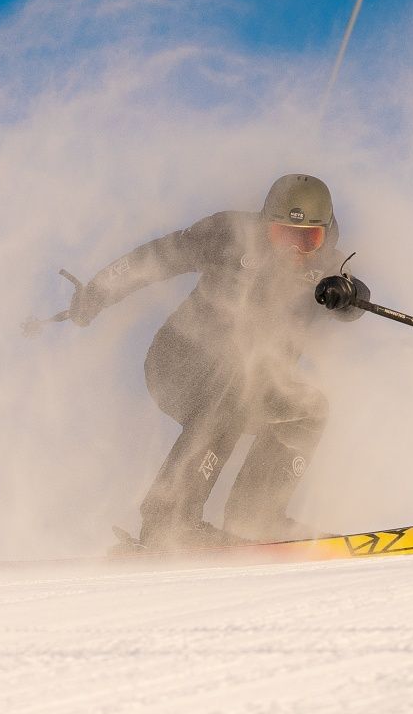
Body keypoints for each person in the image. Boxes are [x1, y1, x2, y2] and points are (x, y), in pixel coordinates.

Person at [66, 173, 368, 549]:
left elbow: (354, 304)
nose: (294, 249)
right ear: (264, 226)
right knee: (240, 375)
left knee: (308, 410)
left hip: (252, 383)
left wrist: (350, 297)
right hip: (178, 367)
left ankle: (256, 516)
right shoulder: (228, 235)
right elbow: (157, 256)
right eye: (283, 236)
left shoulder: (327, 270)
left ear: (324, 234)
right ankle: (168, 522)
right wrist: (96, 292)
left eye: (307, 239)